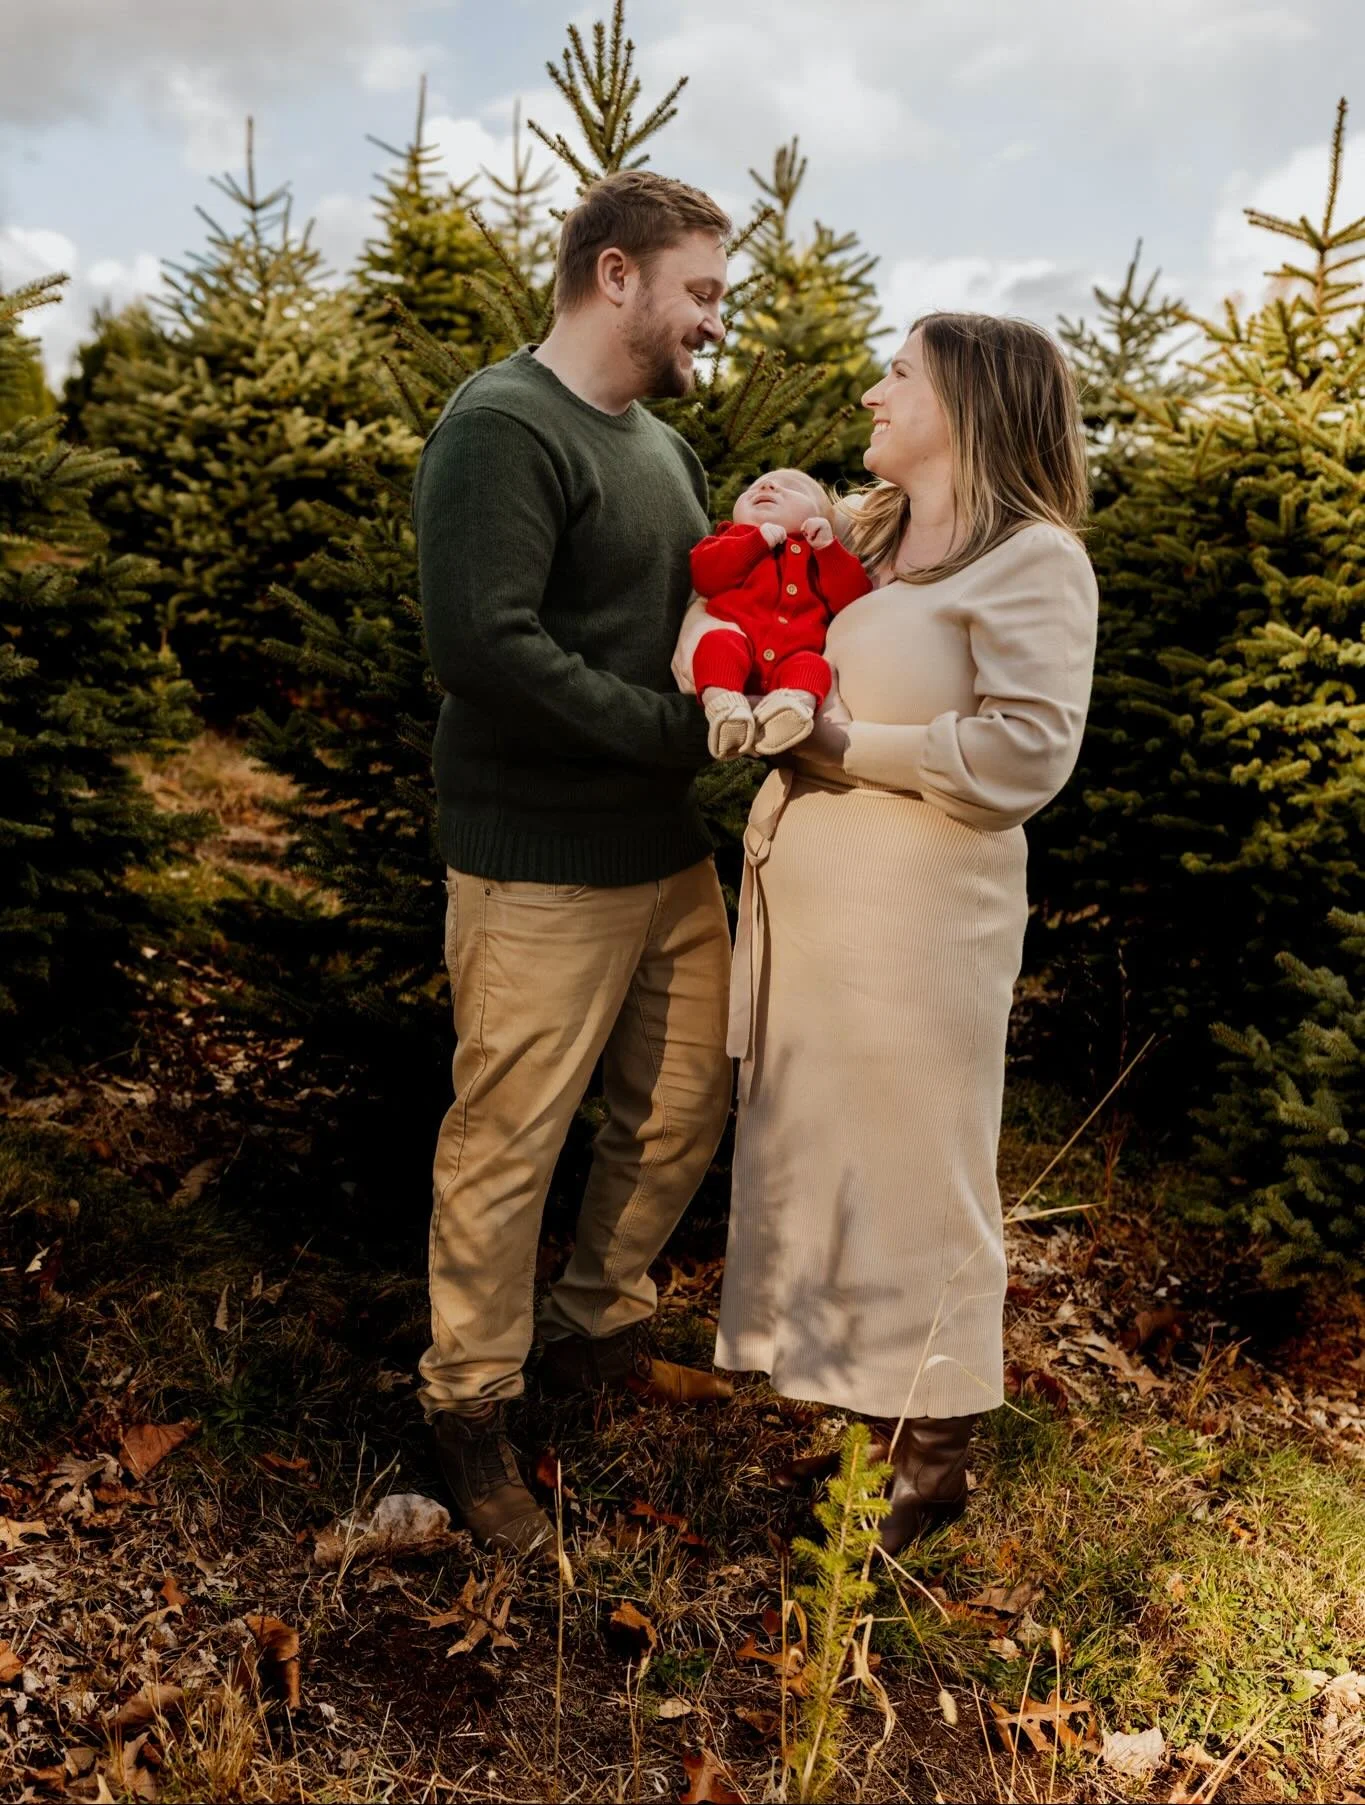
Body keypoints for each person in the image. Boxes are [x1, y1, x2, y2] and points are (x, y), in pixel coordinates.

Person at [678, 312, 1098, 1553]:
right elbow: (772, 621)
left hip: (922, 925)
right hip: (812, 916)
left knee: (921, 1171)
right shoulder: (869, 536)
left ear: (967, 403)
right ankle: (857, 1427)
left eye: (898, 376)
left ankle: (933, 1461)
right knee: (830, 1159)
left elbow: (1029, 752)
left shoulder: (1035, 561)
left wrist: (843, 745)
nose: (871, 393)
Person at [413, 169, 737, 1557]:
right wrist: (671, 736)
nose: (714, 324)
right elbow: (483, 645)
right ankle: (469, 1414)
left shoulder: (660, 449)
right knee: (509, 1141)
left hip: (665, 856)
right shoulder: (501, 426)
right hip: (541, 862)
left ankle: (597, 1326)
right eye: (702, 294)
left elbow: (710, 604)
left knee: (683, 1098)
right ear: (619, 277)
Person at [688, 467, 871, 759]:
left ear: (820, 518)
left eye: (791, 488)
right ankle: (724, 707)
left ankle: (789, 710)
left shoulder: (820, 554)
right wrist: (754, 543)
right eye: (755, 486)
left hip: (791, 663)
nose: (769, 486)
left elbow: (851, 599)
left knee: (815, 666)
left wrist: (828, 549)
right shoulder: (730, 539)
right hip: (738, 654)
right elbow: (705, 576)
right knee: (716, 643)